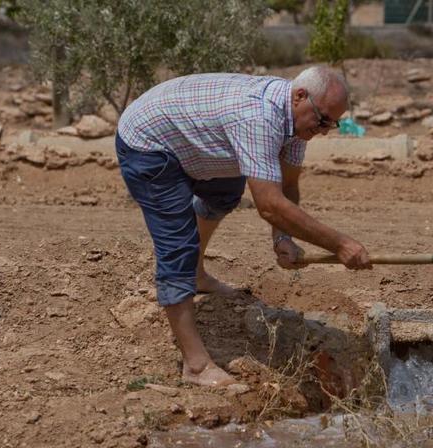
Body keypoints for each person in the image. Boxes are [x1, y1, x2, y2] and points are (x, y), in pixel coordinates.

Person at [116, 65, 371, 387]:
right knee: (177, 245)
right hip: (149, 144)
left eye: (332, 124)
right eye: (322, 121)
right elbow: (269, 205)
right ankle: (195, 366)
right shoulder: (258, 118)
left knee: (225, 192)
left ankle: (195, 276)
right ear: (300, 96)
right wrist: (341, 244)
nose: (323, 131)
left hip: (190, 140)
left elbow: (286, 186)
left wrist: (283, 238)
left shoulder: (294, 122)